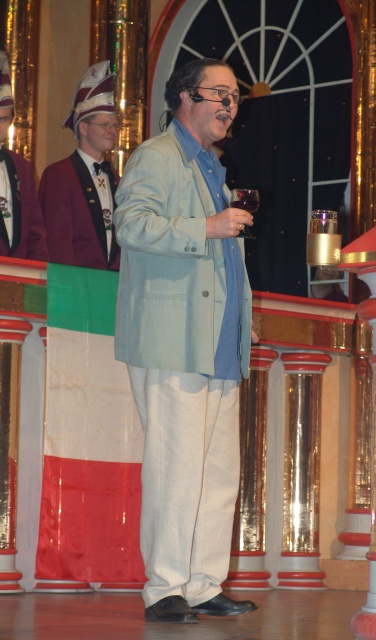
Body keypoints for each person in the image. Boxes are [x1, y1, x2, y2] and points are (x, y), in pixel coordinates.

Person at [113, 58, 258, 624]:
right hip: (174, 337)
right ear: (184, 97)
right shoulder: (156, 156)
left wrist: (240, 319)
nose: (230, 106)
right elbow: (131, 224)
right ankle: (165, 586)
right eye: (219, 94)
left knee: (217, 472)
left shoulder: (212, 168)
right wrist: (207, 226)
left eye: (235, 97)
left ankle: (202, 583)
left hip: (217, 342)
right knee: (175, 468)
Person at [39, 61, 120, 270]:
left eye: (114, 125)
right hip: (76, 281)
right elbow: (58, 242)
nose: (112, 131)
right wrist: (68, 284)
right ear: (83, 128)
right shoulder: (59, 174)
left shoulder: (114, 177)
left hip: (112, 281)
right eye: (104, 125)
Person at [0, 51, 48, 260]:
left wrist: (38, 272)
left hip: (18, 274)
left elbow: (36, 232)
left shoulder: (22, 167)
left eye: (3, 119)